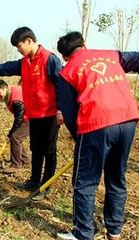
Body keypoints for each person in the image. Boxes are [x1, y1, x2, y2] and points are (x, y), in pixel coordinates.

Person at [55, 31, 139, 240]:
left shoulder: (67, 72)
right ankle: (114, 230)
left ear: (65, 56)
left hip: (96, 123)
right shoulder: (111, 55)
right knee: (116, 177)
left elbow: (70, 114)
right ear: (84, 43)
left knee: (85, 182)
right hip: (128, 120)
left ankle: (83, 233)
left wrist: (81, 140)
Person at [0, 26, 63, 200]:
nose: (19, 50)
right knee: (36, 149)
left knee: (49, 150)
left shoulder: (49, 59)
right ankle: (34, 181)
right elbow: (5, 68)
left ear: (29, 41)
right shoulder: (25, 62)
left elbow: (60, 85)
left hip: (50, 114)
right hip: (34, 114)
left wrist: (60, 109)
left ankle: (46, 186)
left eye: (19, 46)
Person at [0, 79, 29, 174]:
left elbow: (18, 119)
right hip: (25, 116)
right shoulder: (10, 92)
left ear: (4, 88)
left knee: (15, 137)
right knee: (17, 137)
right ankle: (25, 160)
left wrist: (10, 134)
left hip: (31, 117)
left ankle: (16, 164)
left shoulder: (16, 100)